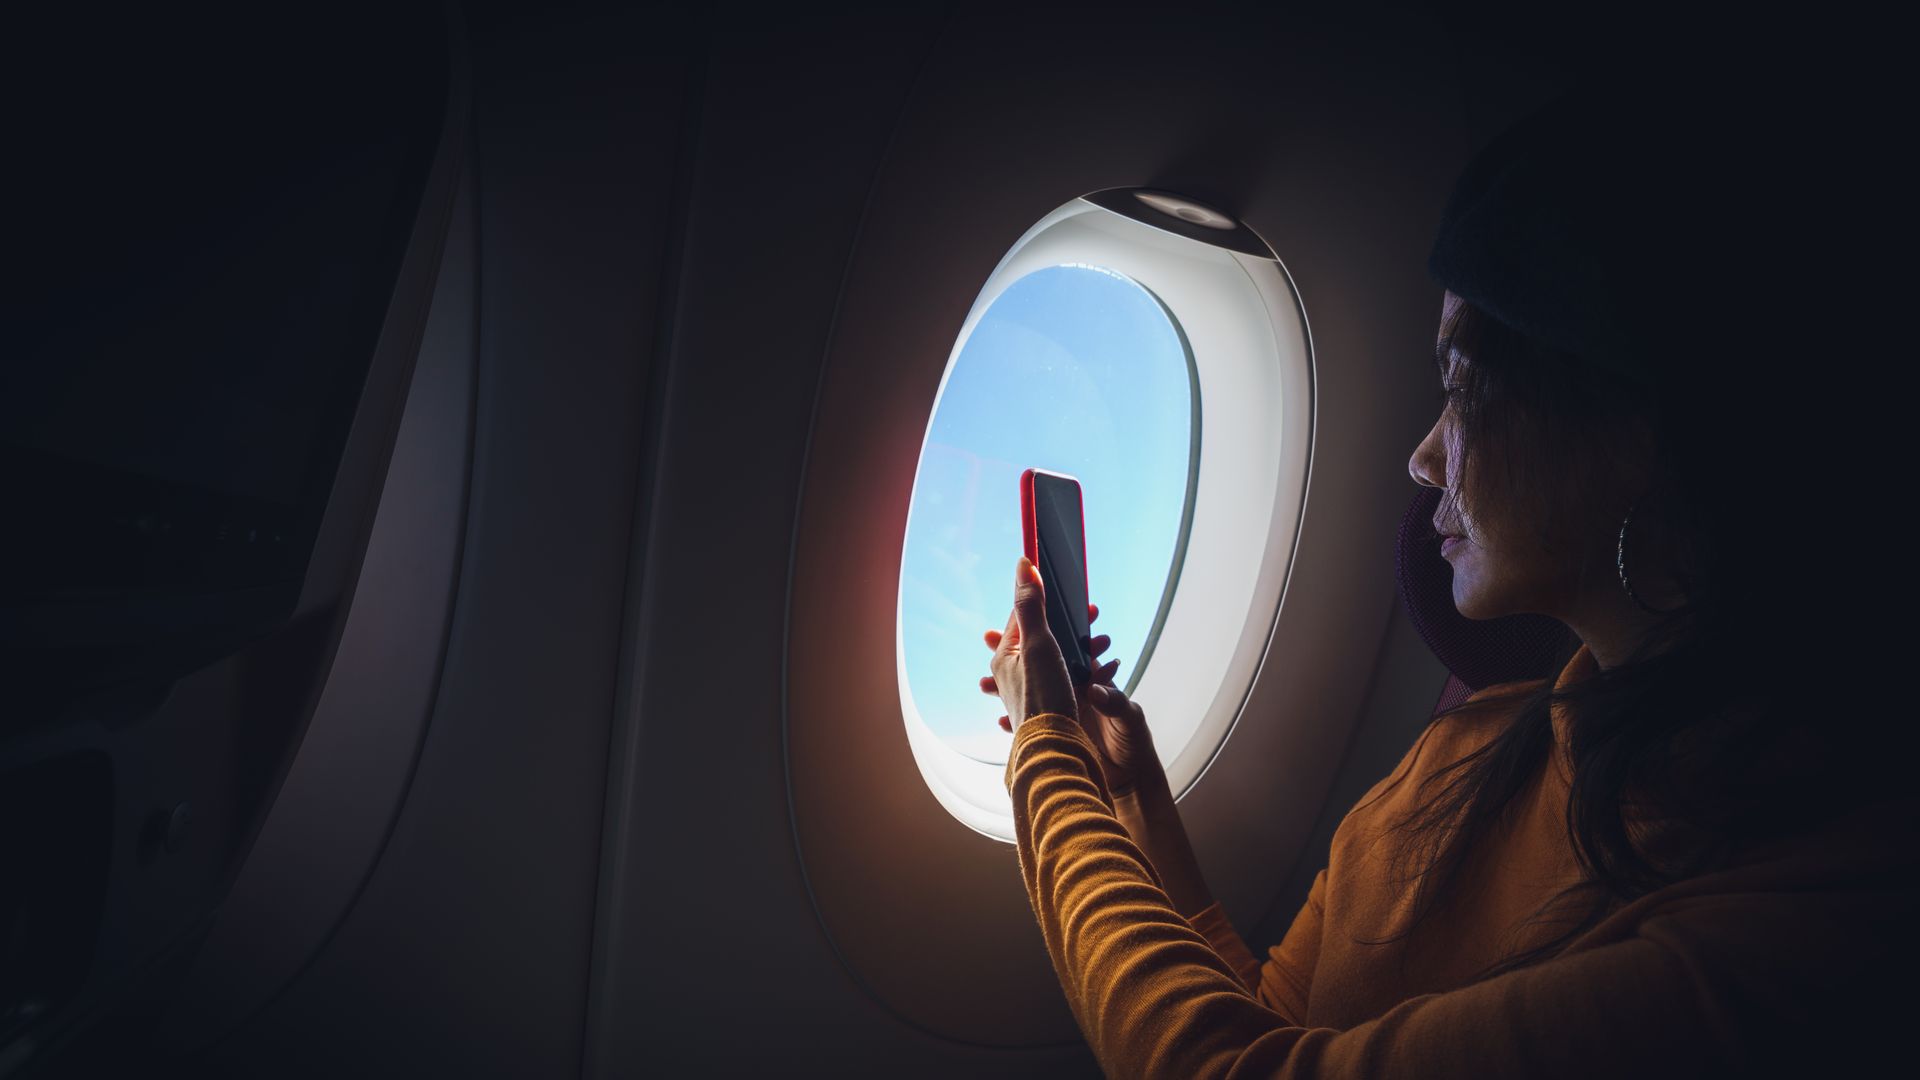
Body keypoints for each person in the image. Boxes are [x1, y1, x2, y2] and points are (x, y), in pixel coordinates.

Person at [977, 81, 1915, 1079]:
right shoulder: (1460, 755)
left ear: (1639, 432)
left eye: (1463, 391)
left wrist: (1047, 760)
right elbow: (1271, 1026)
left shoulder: (1815, 914)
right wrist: (1132, 801)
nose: (1425, 457)